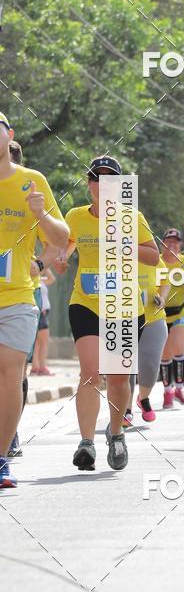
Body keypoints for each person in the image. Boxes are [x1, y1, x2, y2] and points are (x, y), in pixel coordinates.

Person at [54, 156, 159, 471]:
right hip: (85, 301)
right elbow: (66, 247)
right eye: (96, 179)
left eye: (110, 180)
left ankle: (115, 433)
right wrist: (60, 259)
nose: (102, 185)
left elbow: (153, 256)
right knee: (90, 371)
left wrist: (124, 244)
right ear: (89, 184)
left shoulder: (131, 217)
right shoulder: (75, 216)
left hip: (123, 305)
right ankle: (86, 443)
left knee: (117, 377)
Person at [0, 111, 69, 488]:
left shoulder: (32, 182)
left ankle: (1, 459)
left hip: (17, 298)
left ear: (9, 135)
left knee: (10, 374)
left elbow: (61, 239)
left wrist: (41, 214)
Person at [123, 253, 170, 424]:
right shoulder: (113, 256)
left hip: (153, 318)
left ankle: (143, 398)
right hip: (124, 318)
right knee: (126, 366)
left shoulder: (152, 258)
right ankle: (126, 410)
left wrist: (162, 298)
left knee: (149, 366)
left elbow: (166, 281)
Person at [159, 228, 184, 408]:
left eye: (175, 242)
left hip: (182, 310)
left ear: (180, 245)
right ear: (162, 244)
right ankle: (168, 391)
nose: (172, 245)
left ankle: (180, 388)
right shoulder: (156, 262)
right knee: (165, 354)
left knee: (178, 347)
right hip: (161, 312)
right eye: (168, 241)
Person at [30, 267, 56, 375]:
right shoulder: (32, 280)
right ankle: (42, 367)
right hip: (41, 312)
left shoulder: (40, 280)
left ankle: (35, 367)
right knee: (43, 342)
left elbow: (52, 279)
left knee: (37, 342)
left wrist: (45, 266)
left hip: (42, 312)